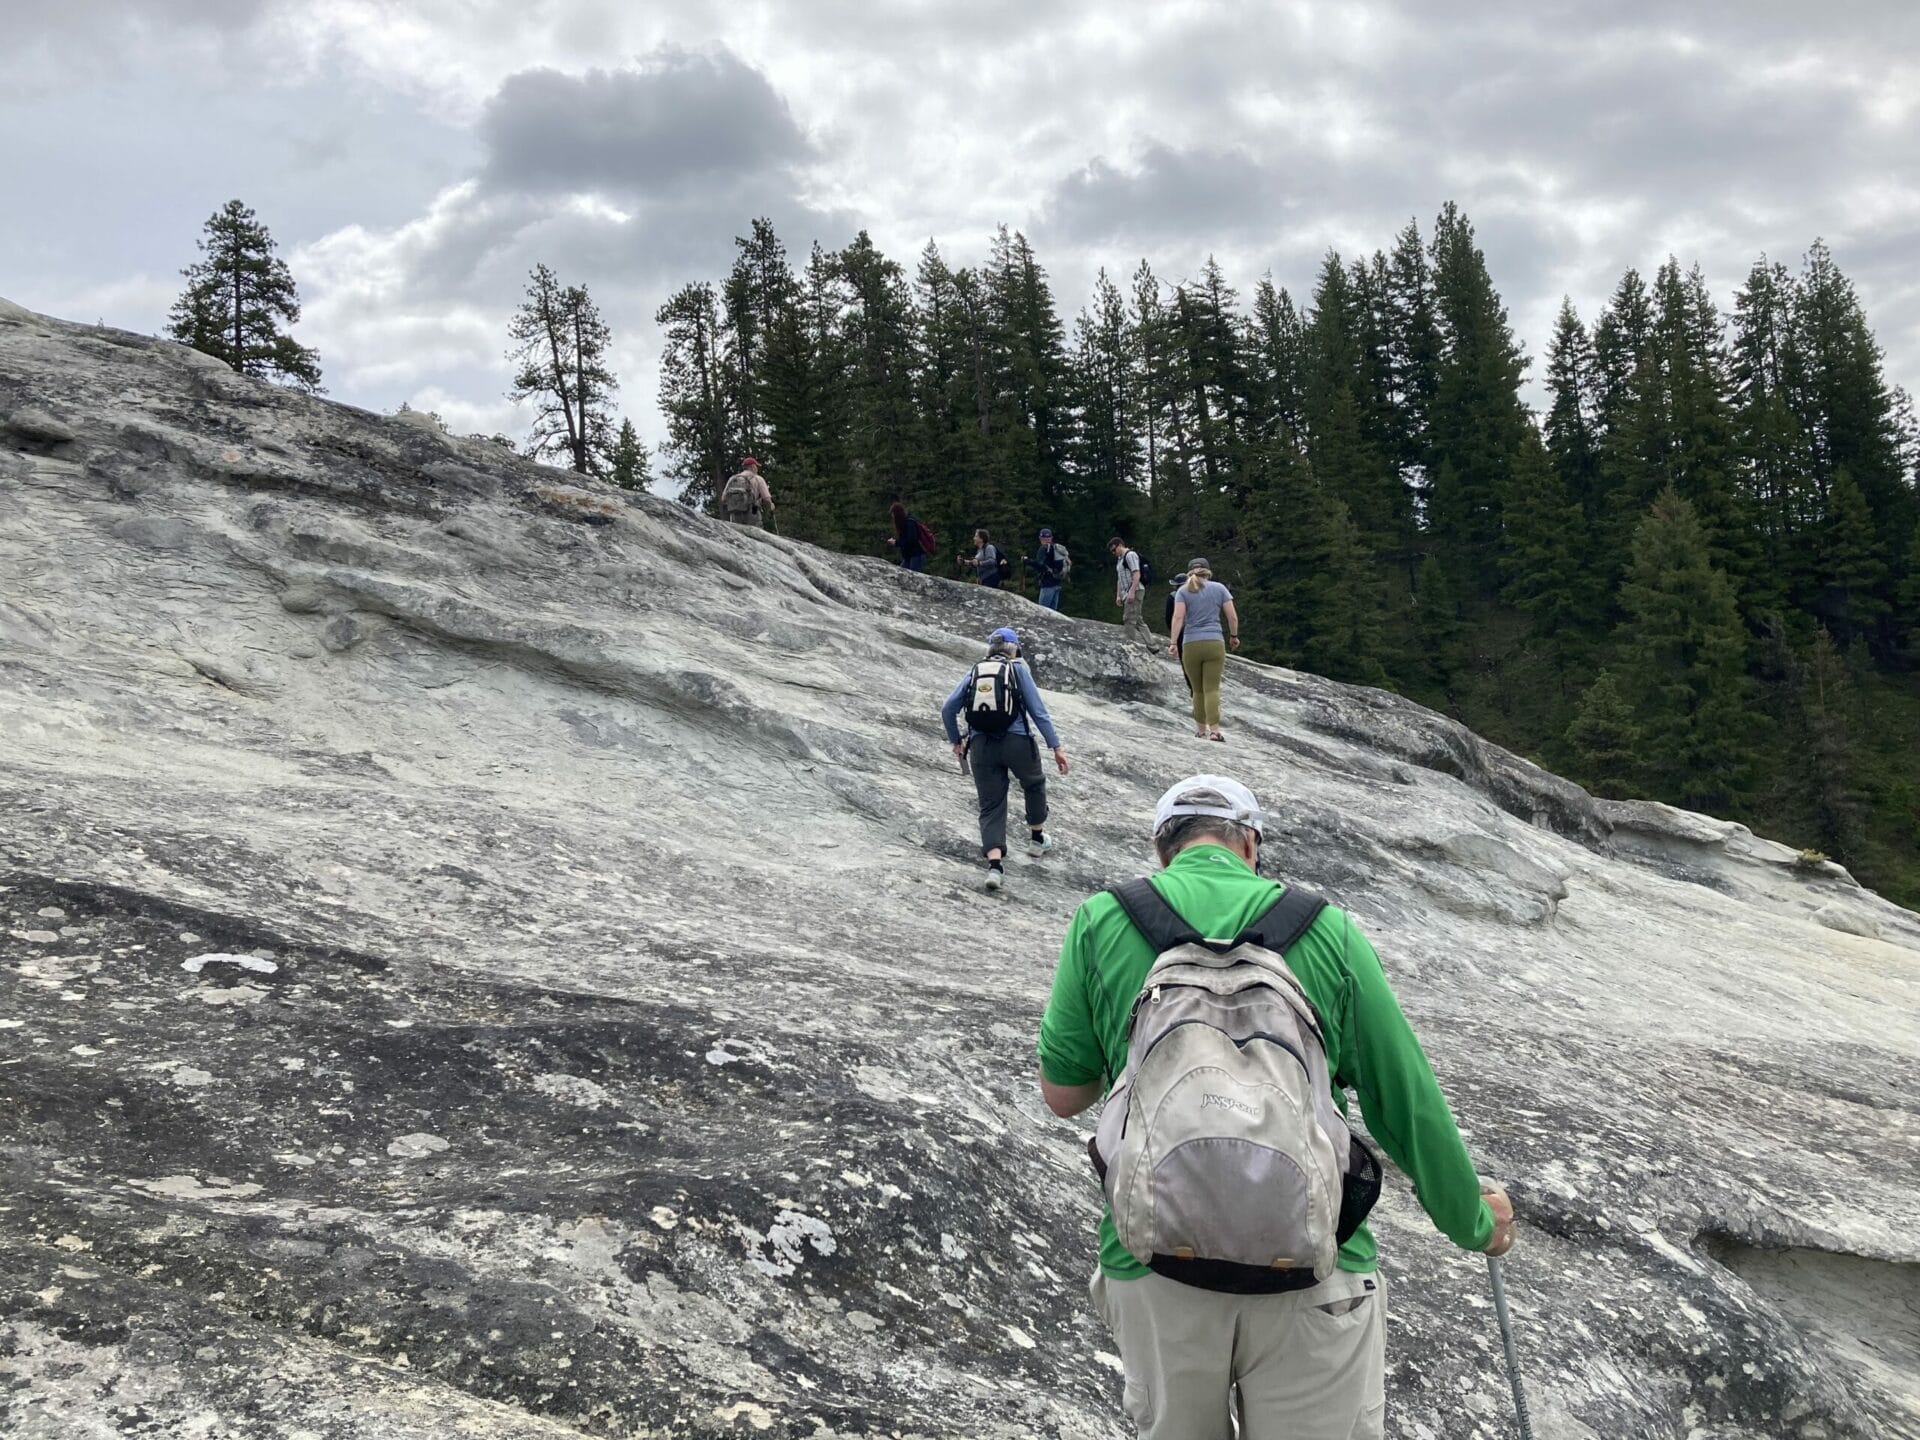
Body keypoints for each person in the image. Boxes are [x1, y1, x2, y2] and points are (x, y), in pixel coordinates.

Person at [1036, 774, 1515, 1440]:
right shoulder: (1328, 932)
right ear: (1251, 844)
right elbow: (1403, 1098)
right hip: (1314, 1264)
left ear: (1163, 850)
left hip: (1154, 1263)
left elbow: (1064, 1095)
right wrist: (1472, 1221)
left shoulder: (1102, 920)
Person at [941, 627, 1070, 890]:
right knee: (1033, 783)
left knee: (990, 805)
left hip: (981, 745)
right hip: (1018, 741)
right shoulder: (1018, 669)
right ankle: (1036, 840)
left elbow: (948, 708)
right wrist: (1055, 746)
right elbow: (1038, 711)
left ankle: (995, 867)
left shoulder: (976, 670)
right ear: (1014, 648)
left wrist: (956, 740)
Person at [1167, 559, 1239, 742]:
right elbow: (1232, 616)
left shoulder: (1182, 591)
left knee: (1198, 690)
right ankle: (1215, 731)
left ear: (1189, 572)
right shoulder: (1220, 588)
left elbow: (1177, 617)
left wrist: (1174, 642)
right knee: (1212, 689)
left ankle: (1200, 731)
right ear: (1208, 571)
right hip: (1215, 642)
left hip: (1191, 644)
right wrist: (1233, 636)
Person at [1108, 537, 1149, 643]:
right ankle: (1152, 646)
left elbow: (1136, 574)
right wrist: (1118, 595)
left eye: (1114, 550)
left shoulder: (1130, 555)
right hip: (1126, 591)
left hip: (1135, 589)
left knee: (1129, 618)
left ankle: (1131, 643)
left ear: (1120, 545)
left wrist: (1132, 592)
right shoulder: (1119, 559)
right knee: (1138, 619)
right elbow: (1119, 579)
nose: (1113, 553)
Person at [720, 456, 774, 528]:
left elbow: (723, 499)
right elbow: (766, 499)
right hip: (753, 511)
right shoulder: (758, 478)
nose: (757, 469)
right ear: (752, 466)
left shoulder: (733, 479)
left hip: (735, 512)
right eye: (756, 466)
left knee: (737, 534)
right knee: (756, 534)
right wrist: (771, 506)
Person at [1032, 529, 1070, 611]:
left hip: (1047, 584)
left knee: (1043, 611)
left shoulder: (1043, 548)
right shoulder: (1056, 548)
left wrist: (1027, 561)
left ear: (1040, 538)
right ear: (1051, 537)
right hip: (1057, 582)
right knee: (1053, 613)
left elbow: (1039, 565)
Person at [888, 501, 929, 571]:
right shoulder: (904, 523)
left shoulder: (910, 523)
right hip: (909, 556)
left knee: (913, 576)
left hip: (916, 555)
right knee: (901, 573)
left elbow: (911, 540)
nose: (893, 516)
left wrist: (896, 543)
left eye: (893, 514)